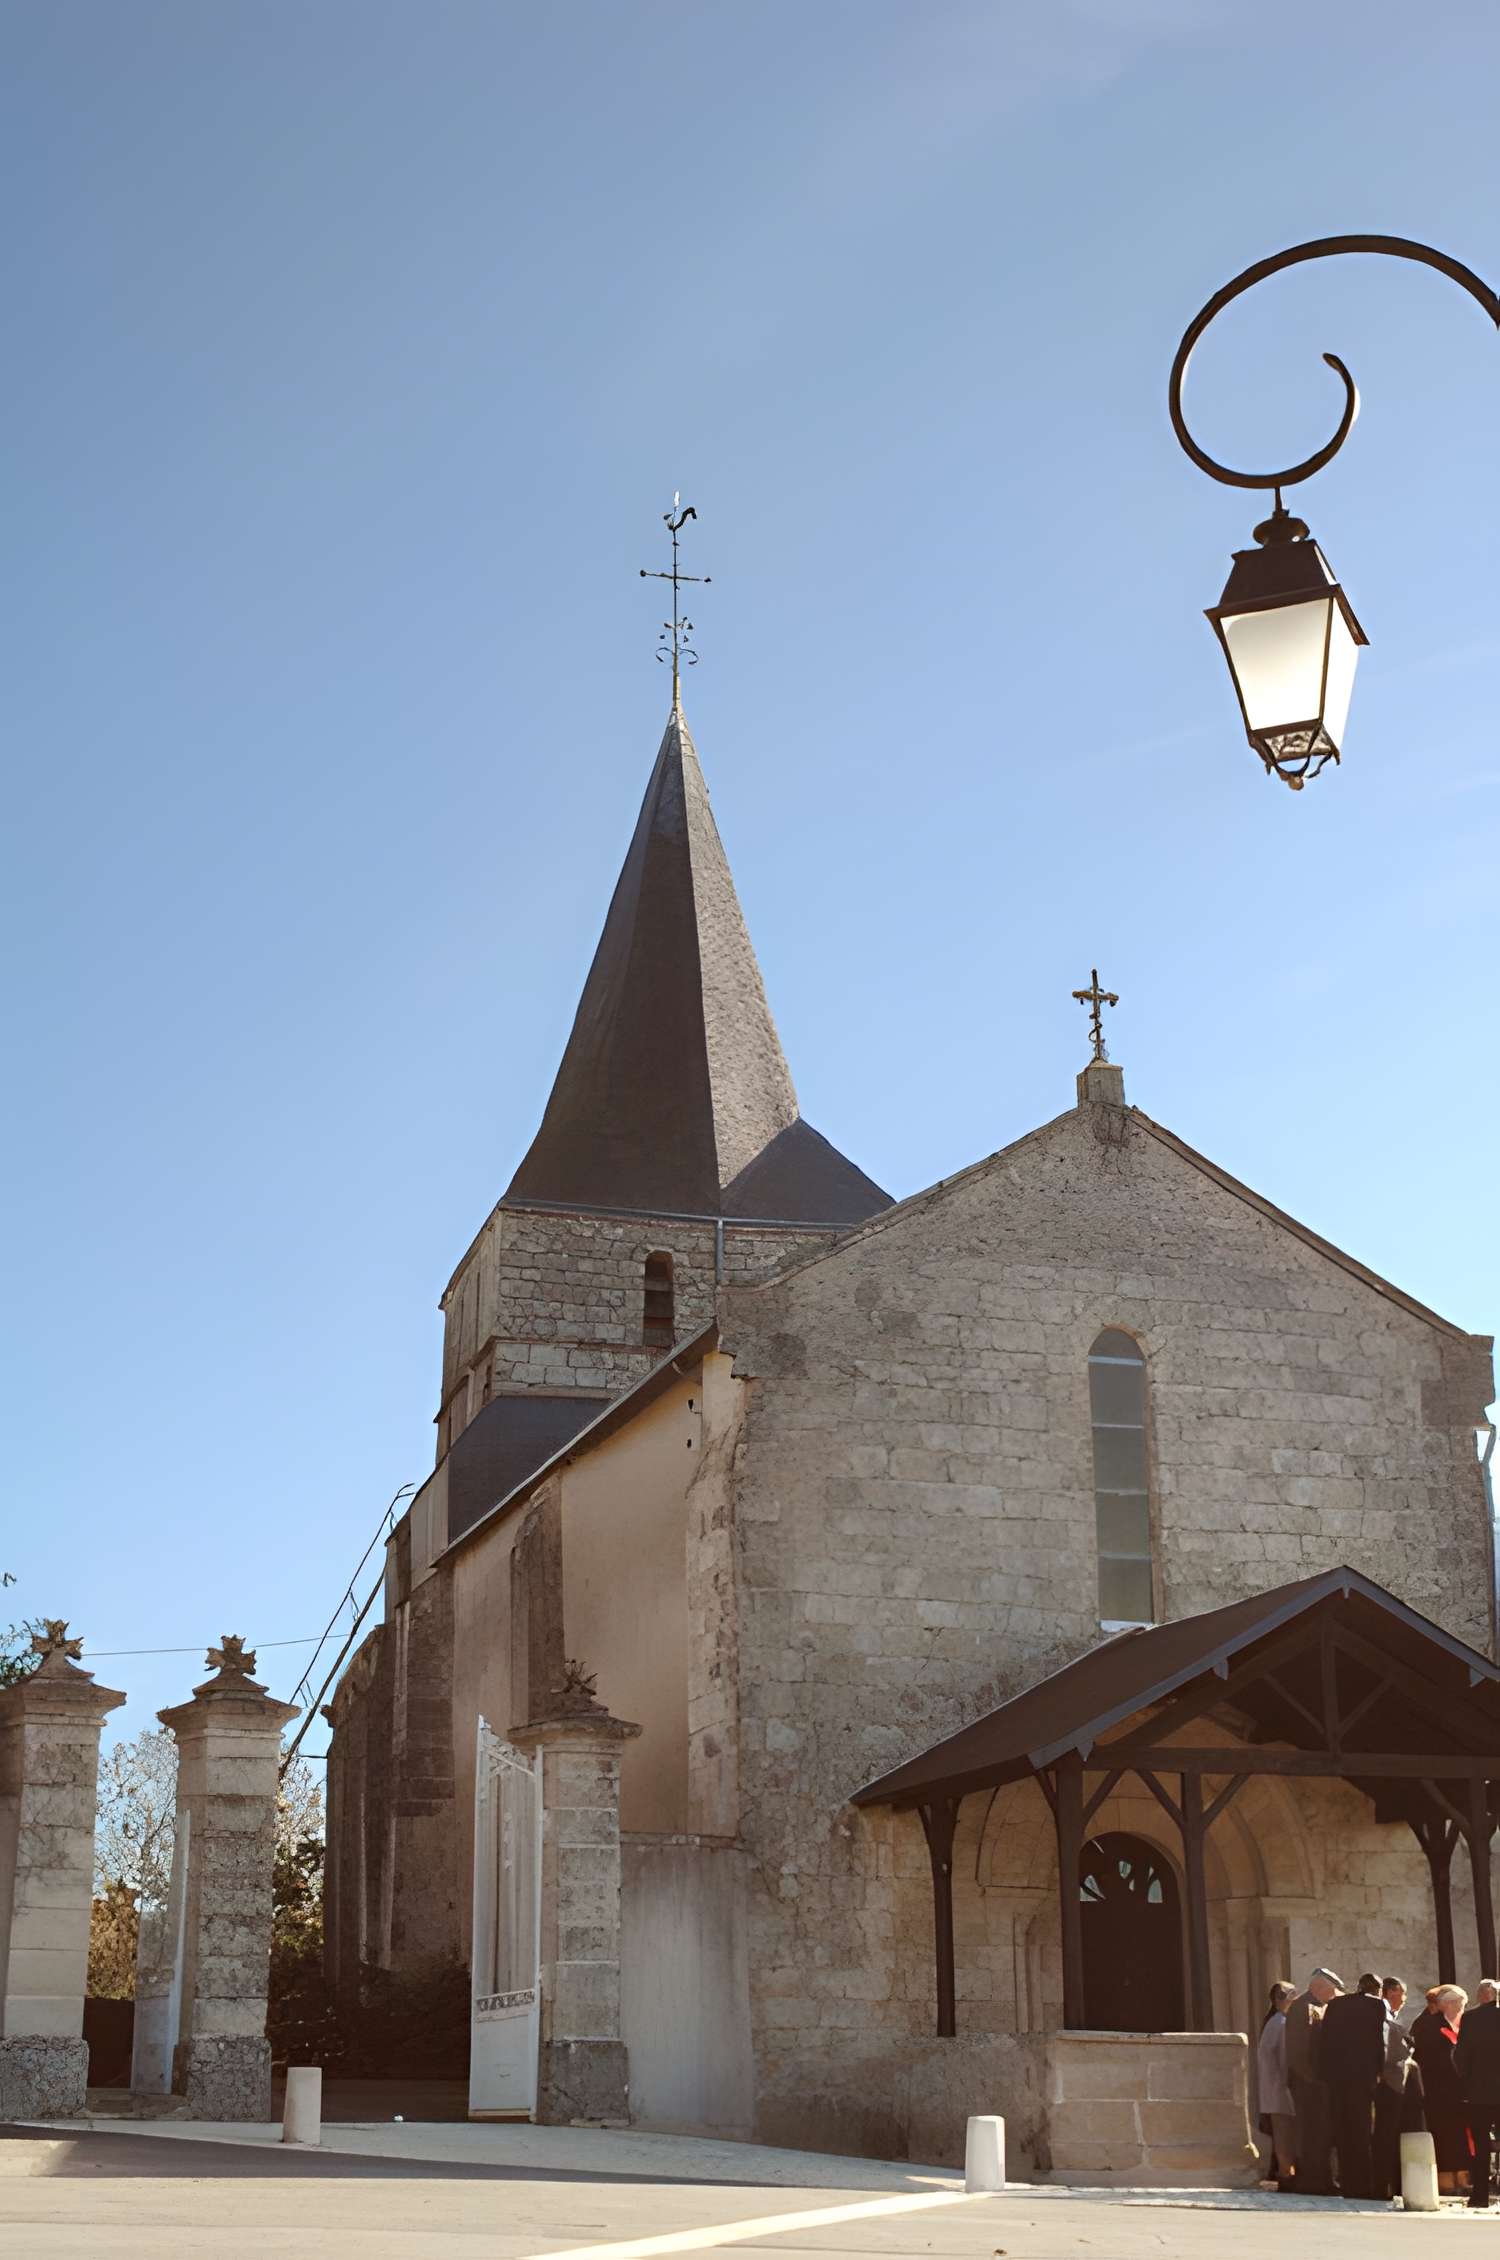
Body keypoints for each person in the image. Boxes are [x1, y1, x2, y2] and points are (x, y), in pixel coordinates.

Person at [1319, 1971, 1388, 2199]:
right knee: (1362, 2130)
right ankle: (1362, 2185)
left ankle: (1347, 2182)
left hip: (1337, 2078)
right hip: (1363, 2077)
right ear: (1377, 1990)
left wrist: (1325, 2075)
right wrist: (1380, 2071)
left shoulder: (1336, 2005)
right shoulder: (1377, 2006)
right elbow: (1381, 2042)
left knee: (1342, 2129)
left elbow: (1325, 2040)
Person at [1285, 1968, 1342, 2194]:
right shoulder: (1303, 2007)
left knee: (1322, 2133)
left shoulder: (1320, 2006)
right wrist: (1312, 2079)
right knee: (1311, 2133)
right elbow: (1298, 2049)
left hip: (1319, 2082)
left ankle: (1323, 2178)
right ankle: (1312, 2180)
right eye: (1331, 1989)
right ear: (1319, 1987)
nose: (1334, 1994)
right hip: (1308, 2083)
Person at [1412, 1984, 1471, 2193]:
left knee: (1459, 2135)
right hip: (1437, 2091)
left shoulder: (1459, 2024)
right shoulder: (1429, 2026)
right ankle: (1445, 2180)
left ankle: (1462, 2178)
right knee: (1444, 2135)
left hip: (1457, 2092)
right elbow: (1426, 2057)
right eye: (1460, 2005)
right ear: (1447, 2004)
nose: (1463, 2009)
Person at [1455, 1979, 1500, 2210]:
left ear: (1483, 1995)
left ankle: (1481, 2195)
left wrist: (1467, 2080)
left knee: (1481, 2145)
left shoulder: (1471, 2019)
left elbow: (1460, 2057)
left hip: (1479, 2093)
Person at [1373, 1976, 1414, 2202]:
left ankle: (1389, 2184)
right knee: (1384, 2135)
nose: (1404, 1999)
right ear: (1389, 1993)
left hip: (1391, 2083)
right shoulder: (1384, 2018)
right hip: (1387, 2084)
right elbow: (1387, 2051)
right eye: (1401, 1993)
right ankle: (1384, 2185)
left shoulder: (1391, 2018)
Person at [1257, 1981, 1298, 2188]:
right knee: (1283, 2134)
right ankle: (1285, 2176)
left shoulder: (1276, 2021)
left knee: (1284, 2134)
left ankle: (1286, 2173)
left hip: (1277, 2090)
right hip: (1281, 2090)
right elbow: (1283, 2058)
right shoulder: (1280, 2023)